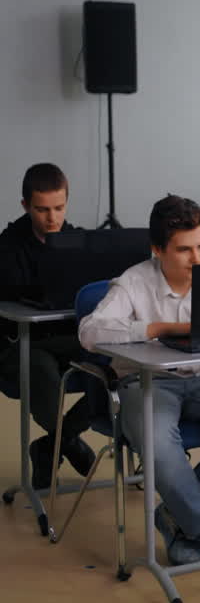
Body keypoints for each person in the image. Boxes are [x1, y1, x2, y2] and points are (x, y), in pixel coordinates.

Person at [79, 194, 200, 564]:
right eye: (185, 250)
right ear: (158, 250)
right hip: (146, 383)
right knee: (158, 443)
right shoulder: (132, 284)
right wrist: (164, 328)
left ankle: (176, 516)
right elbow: (89, 332)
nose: (198, 258)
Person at [0, 163, 95, 488]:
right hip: (20, 345)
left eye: (59, 208)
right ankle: (66, 441)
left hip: (67, 340)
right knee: (39, 366)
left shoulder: (78, 241)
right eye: (42, 210)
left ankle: (49, 446)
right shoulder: (8, 247)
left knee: (118, 363)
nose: (52, 218)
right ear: (26, 206)